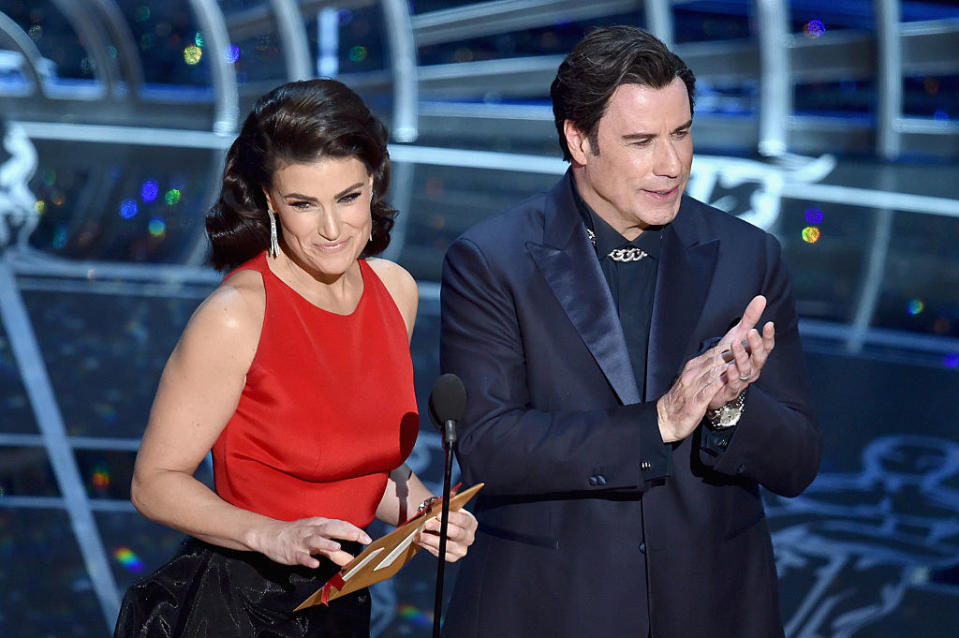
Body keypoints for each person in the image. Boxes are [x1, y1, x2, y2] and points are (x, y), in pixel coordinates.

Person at [439, 26, 821, 638]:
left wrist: (729, 411)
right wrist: (660, 423)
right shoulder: (493, 259)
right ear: (579, 140)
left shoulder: (747, 257)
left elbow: (799, 460)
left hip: (714, 605)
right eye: (641, 141)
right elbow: (487, 443)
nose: (671, 164)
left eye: (681, 133)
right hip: (549, 608)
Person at [114, 78, 476, 637]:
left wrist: (427, 516)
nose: (332, 229)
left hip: (342, 600)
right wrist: (273, 534)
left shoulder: (394, 290)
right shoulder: (236, 314)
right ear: (267, 200)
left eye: (349, 198)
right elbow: (154, 481)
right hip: (239, 607)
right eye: (304, 204)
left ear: (374, 181)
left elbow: (354, 466)